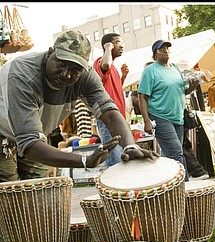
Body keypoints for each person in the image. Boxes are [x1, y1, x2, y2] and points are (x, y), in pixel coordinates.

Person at [0, 29, 158, 182]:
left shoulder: (86, 75)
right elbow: (30, 145)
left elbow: (109, 113)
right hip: (3, 136)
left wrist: (130, 146)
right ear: (49, 53)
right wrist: (84, 160)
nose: (66, 74)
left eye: (75, 70)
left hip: (35, 138)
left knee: (38, 192)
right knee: (8, 196)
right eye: (61, 63)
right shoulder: (23, 75)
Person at [138, 39, 198, 182]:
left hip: (178, 118)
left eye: (167, 48)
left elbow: (183, 91)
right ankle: (184, 186)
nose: (166, 50)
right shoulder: (150, 71)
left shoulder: (175, 68)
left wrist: (193, 86)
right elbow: (142, 97)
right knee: (177, 153)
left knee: (173, 155)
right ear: (155, 54)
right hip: (160, 117)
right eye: (162, 49)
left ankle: (168, 185)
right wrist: (146, 121)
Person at [93, 33, 129, 168]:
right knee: (115, 160)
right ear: (109, 45)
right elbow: (105, 65)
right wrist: (107, 49)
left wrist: (123, 76)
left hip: (118, 119)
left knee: (121, 157)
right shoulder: (101, 62)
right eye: (118, 42)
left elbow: (113, 89)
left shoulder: (113, 68)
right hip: (109, 119)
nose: (122, 45)